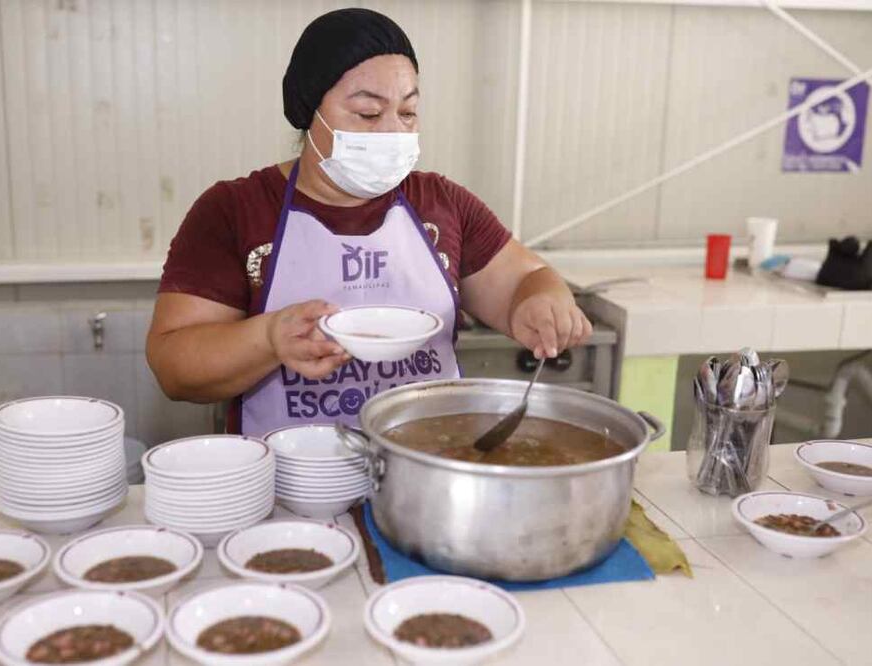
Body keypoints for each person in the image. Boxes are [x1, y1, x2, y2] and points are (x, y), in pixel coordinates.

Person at [147, 8, 591, 436]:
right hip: (287, 486)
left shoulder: (442, 203)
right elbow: (174, 365)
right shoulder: (234, 211)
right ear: (308, 111)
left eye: (408, 112)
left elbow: (525, 278)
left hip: (423, 469)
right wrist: (267, 339)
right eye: (368, 113)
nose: (393, 132)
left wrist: (542, 301)